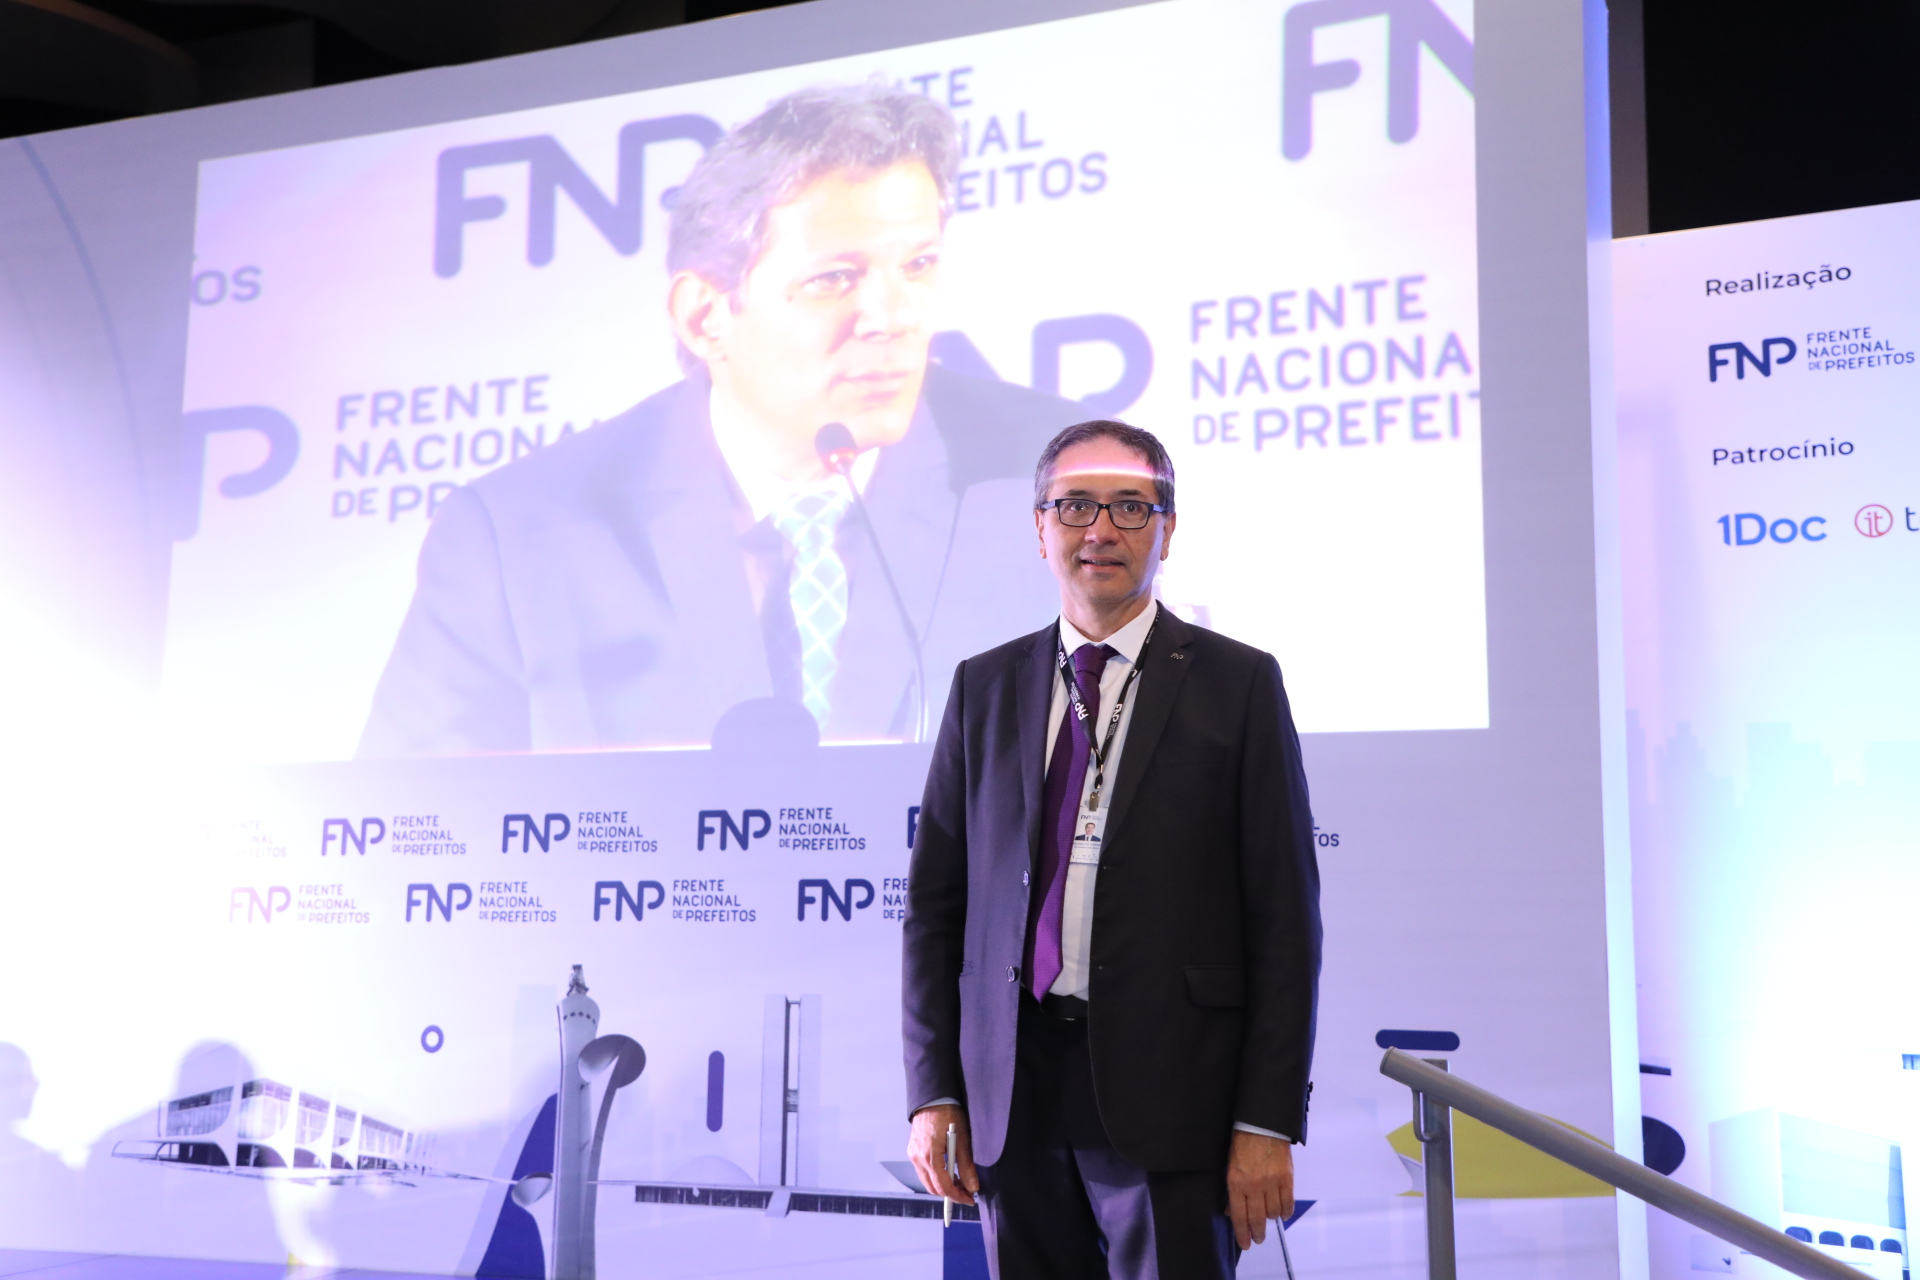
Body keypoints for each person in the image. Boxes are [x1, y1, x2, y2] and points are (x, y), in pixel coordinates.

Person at [358, 84, 1084, 756]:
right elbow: (409, 826)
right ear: (705, 316)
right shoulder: (518, 534)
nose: (892, 317)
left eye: (918, 266)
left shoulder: (1058, 482)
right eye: (834, 279)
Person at [901, 420, 1321, 1278]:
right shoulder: (983, 686)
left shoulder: (1238, 684)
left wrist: (1265, 1120)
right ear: (1040, 528)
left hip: (1177, 1096)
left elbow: (1284, 922)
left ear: (1169, 529)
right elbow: (936, 910)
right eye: (1076, 506)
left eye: (1131, 507)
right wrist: (935, 1091)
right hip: (1011, 1092)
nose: (1101, 529)